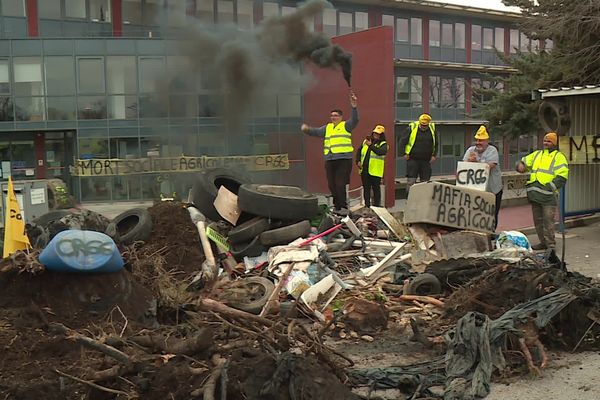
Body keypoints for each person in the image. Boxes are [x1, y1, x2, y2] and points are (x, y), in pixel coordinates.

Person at [301, 91, 359, 213]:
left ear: (341, 117)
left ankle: (343, 207)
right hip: (330, 160)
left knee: (340, 184)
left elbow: (355, 120)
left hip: (343, 160)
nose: (333, 117)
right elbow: (315, 132)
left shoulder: (345, 126)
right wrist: (307, 129)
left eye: (336, 115)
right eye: (332, 115)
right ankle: (337, 207)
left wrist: (354, 106)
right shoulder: (327, 128)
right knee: (332, 185)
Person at [516, 132, 569, 250]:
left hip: (548, 196)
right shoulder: (537, 154)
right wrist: (520, 166)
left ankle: (550, 245)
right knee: (538, 221)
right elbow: (523, 162)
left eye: (549, 141)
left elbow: (562, 176)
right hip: (535, 195)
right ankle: (543, 242)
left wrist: (551, 186)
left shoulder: (559, 157)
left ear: (554, 143)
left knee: (548, 222)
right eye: (545, 140)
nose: (545, 143)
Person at [462, 125, 503, 230]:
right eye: (477, 140)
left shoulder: (492, 150)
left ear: (487, 141)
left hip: (492, 189)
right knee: (477, 213)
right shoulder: (471, 150)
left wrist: (476, 162)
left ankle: (491, 234)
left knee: (492, 214)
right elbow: (463, 166)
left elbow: (490, 166)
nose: (478, 143)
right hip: (477, 190)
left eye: (481, 140)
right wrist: (469, 161)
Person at [399, 113, 439, 191]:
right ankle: (409, 200)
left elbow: (436, 143)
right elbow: (402, 141)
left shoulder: (432, 129)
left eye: (425, 126)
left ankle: (423, 200)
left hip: (426, 160)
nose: (423, 127)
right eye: (422, 125)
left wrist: (434, 155)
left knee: (425, 182)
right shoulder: (412, 128)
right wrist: (404, 153)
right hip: (413, 159)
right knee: (411, 181)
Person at [356, 124, 389, 207]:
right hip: (364, 169)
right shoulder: (365, 142)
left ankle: (376, 205)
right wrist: (358, 161)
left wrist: (370, 145)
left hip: (375, 171)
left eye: (378, 134)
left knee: (376, 189)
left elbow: (380, 152)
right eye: (375, 133)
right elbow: (359, 151)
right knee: (366, 188)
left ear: (381, 135)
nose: (376, 135)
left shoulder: (383, 144)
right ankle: (367, 205)